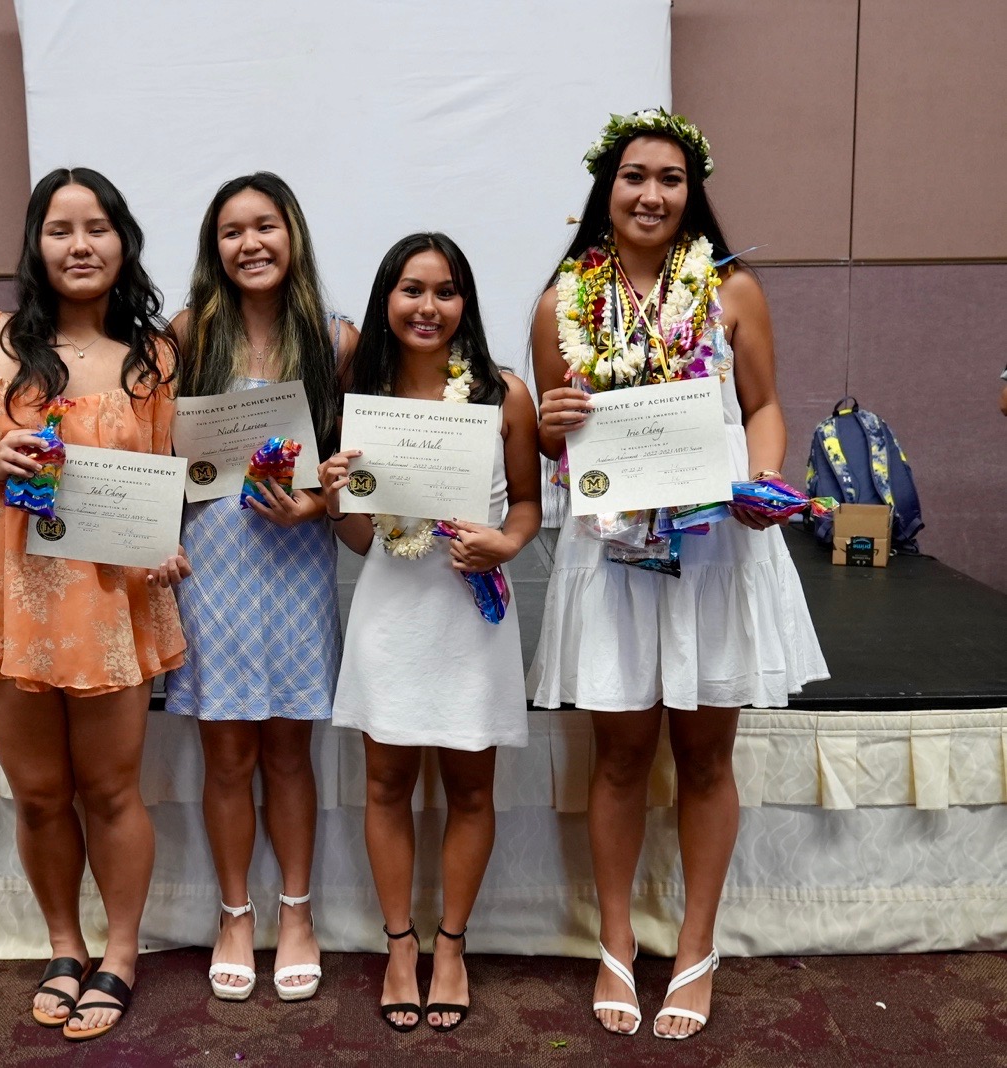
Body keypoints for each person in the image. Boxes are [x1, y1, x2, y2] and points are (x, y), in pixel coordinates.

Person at [527, 109, 828, 1040]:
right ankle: (616, 940)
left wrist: (766, 477)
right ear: (604, 190)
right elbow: (548, 441)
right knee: (617, 756)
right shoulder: (560, 302)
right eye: (633, 177)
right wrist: (553, 424)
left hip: (714, 546)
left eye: (669, 178)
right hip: (613, 549)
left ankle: (696, 947)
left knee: (704, 755)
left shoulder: (731, 290)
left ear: (691, 191)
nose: (650, 193)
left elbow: (766, 403)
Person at [0, 167, 189, 1042]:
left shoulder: (153, 359)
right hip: (7, 593)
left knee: (110, 789)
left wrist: (163, 537)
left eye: (97, 228)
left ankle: (123, 953)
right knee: (37, 793)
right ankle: (64, 945)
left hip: (110, 596)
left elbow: (165, 477)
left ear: (123, 241)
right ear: (36, 243)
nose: (80, 246)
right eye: (60, 229)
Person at [318, 232, 541, 1033]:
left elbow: (526, 504)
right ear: (387, 300)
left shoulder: (501, 394)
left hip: (469, 615)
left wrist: (507, 543)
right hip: (391, 614)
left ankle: (452, 945)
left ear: (465, 305)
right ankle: (400, 946)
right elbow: (355, 541)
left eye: (446, 292)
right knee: (385, 785)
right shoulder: (361, 400)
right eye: (412, 290)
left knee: (471, 789)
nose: (428, 306)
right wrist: (340, 496)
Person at [163, 172, 355, 1002]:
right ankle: (235, 913)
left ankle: (299, 912)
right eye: (232, 231)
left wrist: (316, 502)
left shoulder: (337, 340)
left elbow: (357, 468)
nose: (251, 244)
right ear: (216, 248)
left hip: (296, 561)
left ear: (293, 235)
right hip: (214, 565)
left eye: (265, 226)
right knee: (226, 752)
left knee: (288, 753)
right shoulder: (184, 336)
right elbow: (159, 463)